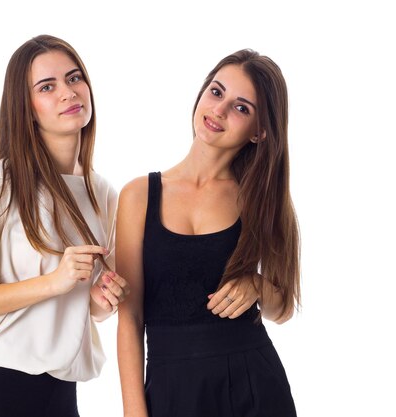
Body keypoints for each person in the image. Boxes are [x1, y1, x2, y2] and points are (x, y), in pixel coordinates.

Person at [0, 34, 129, 417]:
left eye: (75, 78)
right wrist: (55, 281)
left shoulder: (104, 194)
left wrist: (100, 301)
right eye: (48, 86)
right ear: (26, 107)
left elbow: (87, 310)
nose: (68, 92)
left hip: (61, 397)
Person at [116, 49, 300, 417]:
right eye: (216, 92)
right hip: (171, 387)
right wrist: (134, 411)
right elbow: (129, 317)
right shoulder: (138, 195)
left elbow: (282, 310)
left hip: (254, 385)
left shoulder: (259, 198)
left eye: (241, 107)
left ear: (260, 131)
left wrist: (258, 285)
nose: (219, 110)